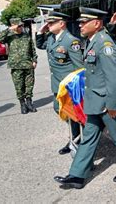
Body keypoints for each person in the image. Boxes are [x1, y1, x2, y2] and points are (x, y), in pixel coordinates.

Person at [54, 7, 116, 190]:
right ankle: (77, 175)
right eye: (80, 22)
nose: (80, 25)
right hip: (94, 101)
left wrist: (112, 104)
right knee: (89, 138)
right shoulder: (92, 42)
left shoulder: (104, 44)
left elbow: (113, 77)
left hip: (107, 103)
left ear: (97, 23)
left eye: (84, 22)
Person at [35, 11, 84, 155]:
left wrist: (78, 86)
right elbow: (40, 45)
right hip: (57, 83)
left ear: (61, 24)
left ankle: (76, 140)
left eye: (51, 23)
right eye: (48, 23)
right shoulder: (51, 38)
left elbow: (79, 66)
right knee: (59, 109)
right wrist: (39, 32)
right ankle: (75, 138)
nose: (48, 25)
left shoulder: (71, 41)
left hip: (68, 85)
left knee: (72, 113)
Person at [0, 18, 38, 114]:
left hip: (28, 64)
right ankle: (22, 104)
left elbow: (32, 49)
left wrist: (34, 60)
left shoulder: (26, 36)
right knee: (19, 86)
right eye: (19, 26)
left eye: (22, 25)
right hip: (16, 66)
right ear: (14, 26)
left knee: (29, 85)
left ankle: (29, 103)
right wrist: (9, 29)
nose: (21, 27)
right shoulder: (9, 36)